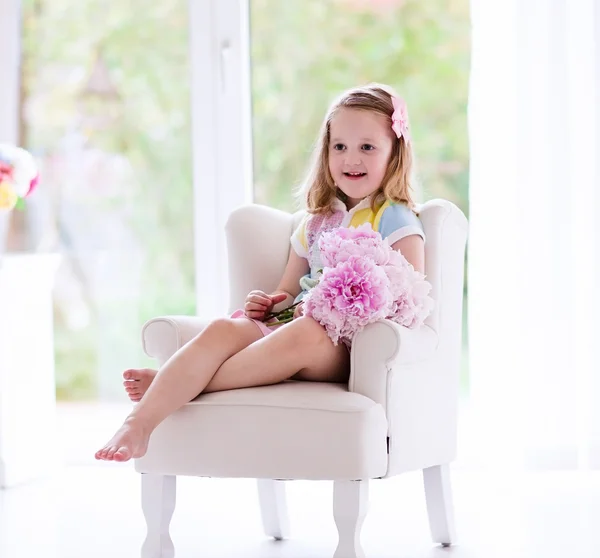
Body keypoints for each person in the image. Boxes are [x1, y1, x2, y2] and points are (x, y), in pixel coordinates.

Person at [95, 83, 426, 462]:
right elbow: (288, 290)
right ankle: (137, 424)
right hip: (292, 323)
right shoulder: (317, 221)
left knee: (304, 331)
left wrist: (336, 311)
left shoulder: (395, 219)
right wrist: (270, 301)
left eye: (367, 147)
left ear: (394, 153)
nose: (351, 158)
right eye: (340, 146)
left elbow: (408, 300)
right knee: (221, 329)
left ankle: (174, 386)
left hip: (343, 345)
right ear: (326, 152)